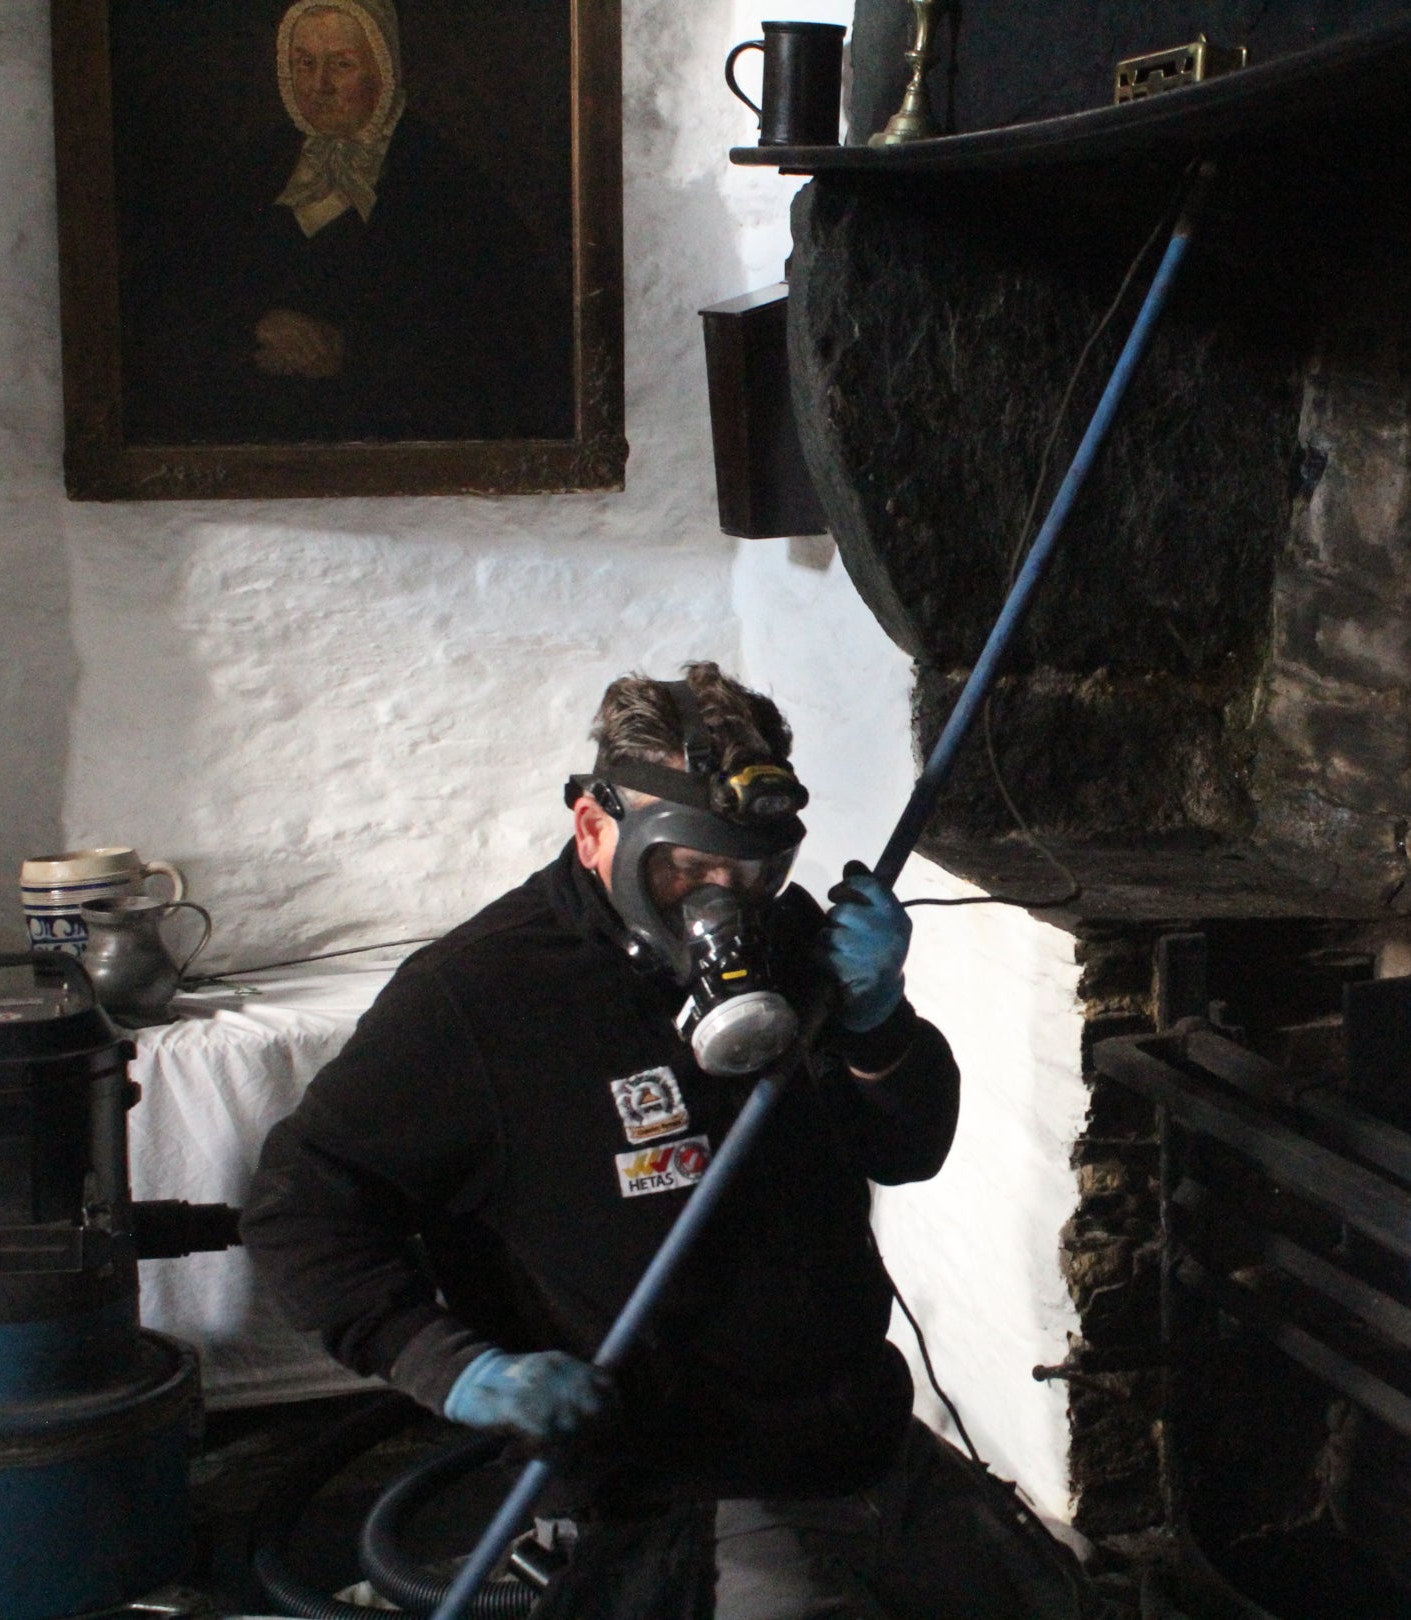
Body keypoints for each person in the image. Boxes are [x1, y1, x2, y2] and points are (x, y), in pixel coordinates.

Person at [242, 666, 1083, 1618]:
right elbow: (298, 1208)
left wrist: (879, 1024)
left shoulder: (785, 942)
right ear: (594, 828)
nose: (722, 904)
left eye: (753, 873)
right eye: (686, 868)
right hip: (675, 1489)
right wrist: (450, 1366)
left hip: (862, 1436)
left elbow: (906, 1151)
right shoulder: (479, 1001)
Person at [120, 0, 569, 444]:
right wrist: (251, 326)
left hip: (388, 440)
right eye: (305, 64)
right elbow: (171, 296)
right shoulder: (252, 171)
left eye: (341, 65)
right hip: (254, 437)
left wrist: (350, 351)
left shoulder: (446, 185)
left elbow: (500, 339)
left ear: (383, 71)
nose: (319, 86)